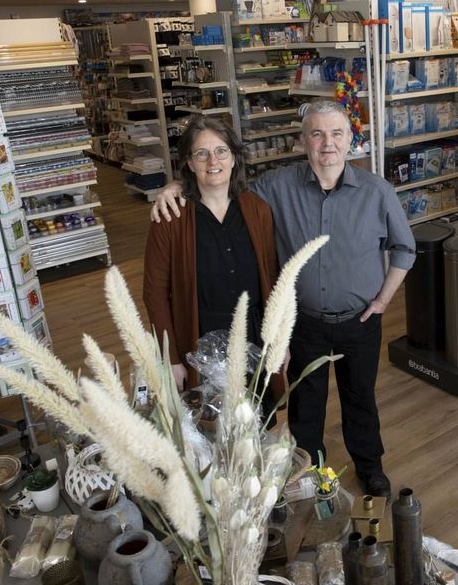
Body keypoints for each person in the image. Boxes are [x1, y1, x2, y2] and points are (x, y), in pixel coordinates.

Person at [152, 100, 416, 498]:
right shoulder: (274, 188)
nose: (327, 143)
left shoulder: (378, 192)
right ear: (303, 141)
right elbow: (218, 182)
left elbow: (405, 249)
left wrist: (383, 299)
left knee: (360, 397)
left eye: (337, 133)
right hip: (304, 322)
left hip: (359, 321)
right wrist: (176, 185)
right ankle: (311, 470)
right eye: (317, 134)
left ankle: (370, 465)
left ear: (350, 140)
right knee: (305, 405)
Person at [143, 115, 279, 398]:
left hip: (252, 335)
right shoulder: (171, 217)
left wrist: (278, 342)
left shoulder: (258, 210)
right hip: (198, 338)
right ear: (190, 164)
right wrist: (171, 358)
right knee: (209, 427)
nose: (212, 162)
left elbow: (272, 278)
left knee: (252, 421)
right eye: (201, 154)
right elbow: (154, 293)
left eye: (221, 151)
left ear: (234, 158)